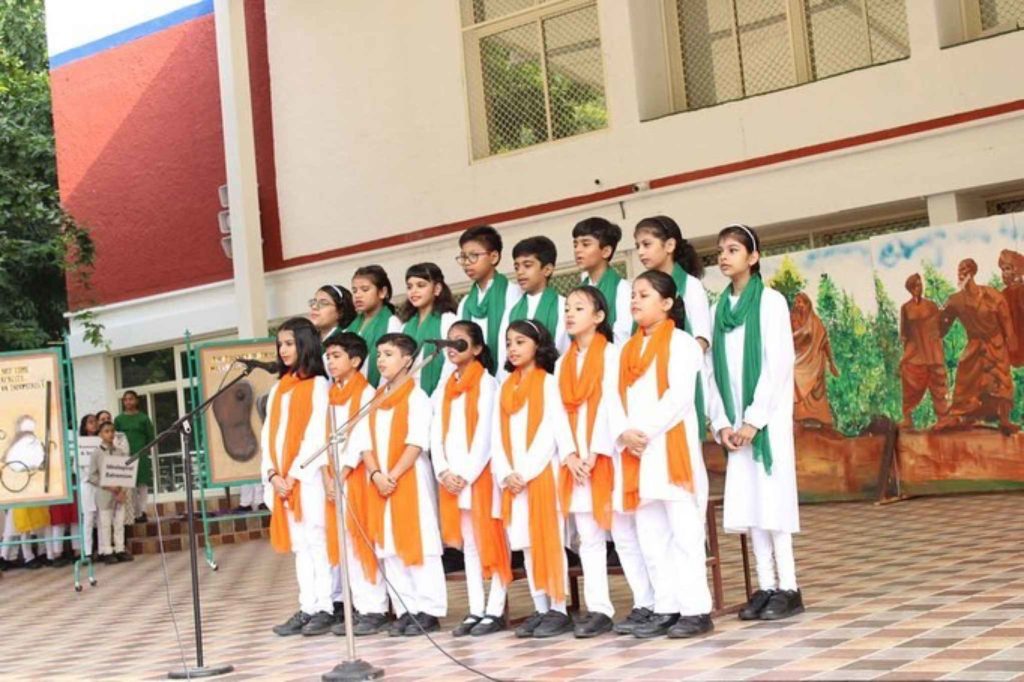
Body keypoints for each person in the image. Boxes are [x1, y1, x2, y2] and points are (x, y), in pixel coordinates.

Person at [708, 223, 803, 622]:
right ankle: (765, 586)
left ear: (753, 256)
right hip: (736, 426)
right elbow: (711, 371)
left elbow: (778, 363)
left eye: (733, 249)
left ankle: (789, 588)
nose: (724, 256)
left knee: (773, 502)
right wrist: (722, 423)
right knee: (752, 504)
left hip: (767, 423)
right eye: (720, 250)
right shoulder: (718, 309)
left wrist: (754, 420)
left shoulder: (770, 302)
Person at [617, 271, 713, 639]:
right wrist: (624, 433)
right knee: (651, 537)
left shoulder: (683, 344)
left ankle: (696, 610)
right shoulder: (627, 350)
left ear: (667, 303)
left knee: (685, 535)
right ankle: (666, 607)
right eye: (633, 295)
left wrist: (641, 431)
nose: (635, 301)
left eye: (644, 295)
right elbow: (614, 399)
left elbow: (679, 398)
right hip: (638, 454)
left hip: (671, 453)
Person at [557, 286, 653, 638]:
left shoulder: (614, 355)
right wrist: (570, 455)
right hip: (577, 465)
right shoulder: (562, 363)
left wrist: (594, 453)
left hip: (609, 458)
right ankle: (599, 609)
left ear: (598, 316)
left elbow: (611, 407)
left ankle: (647, 602)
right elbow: (557, 414)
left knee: (625, 535)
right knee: (589, 539)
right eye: (567, 308)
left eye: (578, 308)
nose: (570, 314)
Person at [492, 320, 576, 639]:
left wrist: (524, 472)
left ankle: (558, 608)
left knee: (548, 540)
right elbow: (496, 436)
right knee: (526, 544)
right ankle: (540, 608)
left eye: (520, 342)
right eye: (509, 343)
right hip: (514, 480)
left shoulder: (549, 383)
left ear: (538, 345)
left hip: (541, 475)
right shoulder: (505, 387)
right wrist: (506, 473)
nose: (513, 348)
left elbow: (550, 432)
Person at [363, 333, 447, 636]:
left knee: (418, 542)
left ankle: (429, 609)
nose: (381, 360)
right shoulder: (374, 398)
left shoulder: (416, 397)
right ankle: (405, 609)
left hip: (408, 479)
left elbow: (416, 442)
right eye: (379, 355)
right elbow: (363, 442)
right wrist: (376, 474)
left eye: (388, 354)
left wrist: (393, 475)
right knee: (389, 546)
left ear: (407, 360)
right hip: (380, 481)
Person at [431, 321, 511, 637]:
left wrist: (464, 474)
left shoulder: (488, 384)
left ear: (476, 348)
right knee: (470, 546)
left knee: (493, 538)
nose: (451, 346)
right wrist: (443, 471)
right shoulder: (444, 387)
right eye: (448, 341)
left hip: (480, 477)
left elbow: (485, 436)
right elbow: (436, 433)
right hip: (452, 478)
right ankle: (476, 608)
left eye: (460, 341)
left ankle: (495, 608)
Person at [262, 318, 333, 637]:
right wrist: (272, 473)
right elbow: (268, 436)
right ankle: (307, 605)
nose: (283, 350)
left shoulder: (318, 385)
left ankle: (325, 607)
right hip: (283, 482)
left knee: (317, 542)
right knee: (301, 546)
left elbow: (316, 434)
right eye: (280, 344)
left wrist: (292, 475)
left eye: (289, 343)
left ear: (305, 345)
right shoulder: (278, 388)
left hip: (308, 480)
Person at [322, 332, 390, 637]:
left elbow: (362, 438)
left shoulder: (366, 394)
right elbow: (325, 439)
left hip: (357, 476)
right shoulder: (331, 395)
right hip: (336, 476)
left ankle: (376, 608)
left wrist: (342, 471)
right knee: (347, 544)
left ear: (356, 360)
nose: (330, 362)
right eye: (328, 357)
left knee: (363, 542)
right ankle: (361, 607)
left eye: (337, 356)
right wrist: (328, 474)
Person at [633, 216, 712, 439]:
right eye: (638, 246)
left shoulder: (690, 286)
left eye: (647, 244)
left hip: (678, 384)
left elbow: (702, 339)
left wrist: (675, 367)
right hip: (646, 381)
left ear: (669, 245)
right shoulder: (640, 289)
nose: (640, 252)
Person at [936, 258, 1018, 434]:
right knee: (966, 376)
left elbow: (1005, 318)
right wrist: (936, 318)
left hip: (995, 343)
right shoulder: (955, 300)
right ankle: (962, 416)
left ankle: (1004, 420)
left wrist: (1011, 340)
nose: (960, 274)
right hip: (974, 344)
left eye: (964, 270)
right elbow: (941, 327)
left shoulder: (992, 295)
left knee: (1001, 380)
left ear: (972, 272)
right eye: (959, 271)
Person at [456, 225, 522, 378]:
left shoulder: (513, 293)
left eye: (473, 255)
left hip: (508, 377)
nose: (467, 263)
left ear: (494, 257)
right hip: (475, 382)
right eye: (463, 257)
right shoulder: (465, 304)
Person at [399, 262, 459, 396]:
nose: (413, 291)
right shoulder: (405, 326)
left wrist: (438, 396)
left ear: (437, 289)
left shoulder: (448, 320)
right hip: (410, 396)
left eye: (421, 285)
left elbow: (452, 363)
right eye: (409, 287)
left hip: (440, 394)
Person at [899, 273, 949, 427]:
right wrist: (906, 353)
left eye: (920, 284)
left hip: (932, 350)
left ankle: (943, 418)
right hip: (916, 351)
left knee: (938, 384)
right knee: (909, 380)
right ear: (910, 289)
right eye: (914, 286)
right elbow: (904, 334)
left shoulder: (931, 305)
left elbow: (940, 327)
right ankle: (907, 418)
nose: (918, 288)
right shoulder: (906, 308)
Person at [574, 217, 632, 345]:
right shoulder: (578, 291)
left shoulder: (623, 289)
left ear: (606, 251)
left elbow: (624, 336)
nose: (577, 250)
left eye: (585, 244)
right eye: (575, 244)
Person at [506, 236, 569, 354]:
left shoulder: (564, 307)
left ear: (547, 270)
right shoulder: (512, 310)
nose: (520, 272)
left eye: (527, 265)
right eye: (516, 267)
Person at [345, 265, 403, 387]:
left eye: (365, 289)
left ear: (382, 292)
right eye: (354, 291)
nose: (358, 295)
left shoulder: (391, 323)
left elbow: (391, 366)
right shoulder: (351, 326)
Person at [87, 421, 134, 564]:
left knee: (119, 523)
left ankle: (120, 549)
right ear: (100, 434)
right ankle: (107, 550)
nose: (110, 434)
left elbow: (125, 472)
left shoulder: (119, 452)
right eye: (106, 431)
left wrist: (122, 490)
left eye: (112, 431)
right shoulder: (97, 453)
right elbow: (92, 476)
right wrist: (108, 485)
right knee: (105, 524)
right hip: (105, 493)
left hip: (119, 493)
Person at [791, 292, 838, 427]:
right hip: (799, 359)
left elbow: (824, 342)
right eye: (796, 302)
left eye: (800, 302)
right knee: (794, 374)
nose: (798, 305)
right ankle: (799, 416)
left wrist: (831, 363)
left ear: (807, 304)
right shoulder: (792, 317)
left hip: (815, 362)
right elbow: (788, 337)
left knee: (817, 392)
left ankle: (819, 419)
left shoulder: (815, 322)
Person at [113, 390, 156, 524]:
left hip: (141, 455)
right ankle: (134, 513)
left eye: (131, 399)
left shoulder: (143, 418)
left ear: (136, 400)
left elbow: (151, 438)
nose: (128, 402)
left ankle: (142, 511)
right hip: (125, 456)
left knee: (142, 484)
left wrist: (144, 450)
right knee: (130, 485)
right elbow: (115, 438)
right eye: (125, 399)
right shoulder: (119, 419)